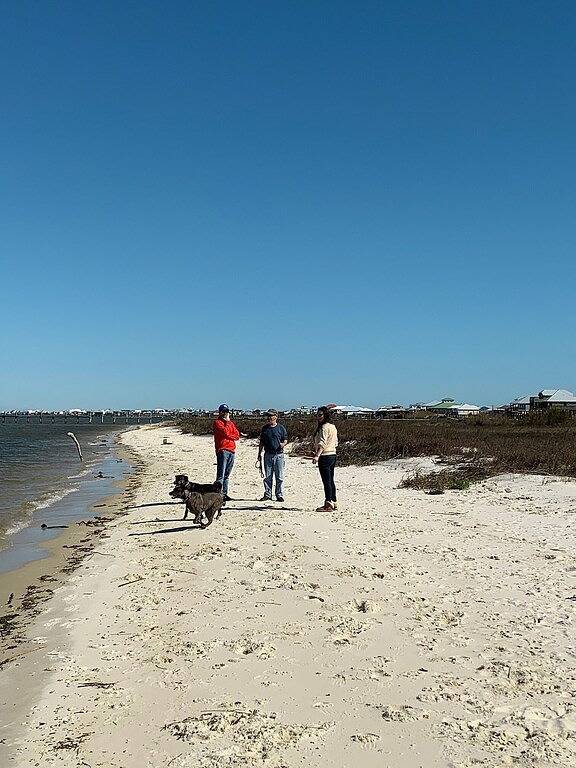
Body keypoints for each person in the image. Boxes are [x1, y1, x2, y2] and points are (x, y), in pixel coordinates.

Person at [257, 409, 288, 502]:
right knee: (268, 476)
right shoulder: (265, 428)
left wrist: (283, 444)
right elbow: (261, 442)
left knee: (279, 477)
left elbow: (285, 440)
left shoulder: (281, 428)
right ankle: (267, 494)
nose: (269, 417)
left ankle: (279, 495)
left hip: (279, 455)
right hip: (268, 455)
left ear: (276, 416)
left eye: (271, 415)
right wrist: (259, 454)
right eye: (268, 416)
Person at [312, 406, 338, 511]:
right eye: (317, 415)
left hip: (325, 456)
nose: (318, 417)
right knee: (330, 480)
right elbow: (336, 442)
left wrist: (317, 455)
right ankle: (334, 501)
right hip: (332, 455)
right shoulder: (332, 426)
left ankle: (328, 503)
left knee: (326, 481)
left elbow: (322, 443)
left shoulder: (324, 427)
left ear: (325, 415)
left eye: (320, 415)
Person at [213, 404, 240, 501]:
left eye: (227, 411)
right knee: (221, 474)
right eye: (223, 411)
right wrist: (227, 423)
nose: (225, 413)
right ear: (220, 412)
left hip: (231, 450)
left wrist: (230, 433)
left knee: (227, 475)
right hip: (222, 450)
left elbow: (237, 435)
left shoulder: (231, 423)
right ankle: (218, 494)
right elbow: (225, 433)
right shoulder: (217, 422)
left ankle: (224, 493)